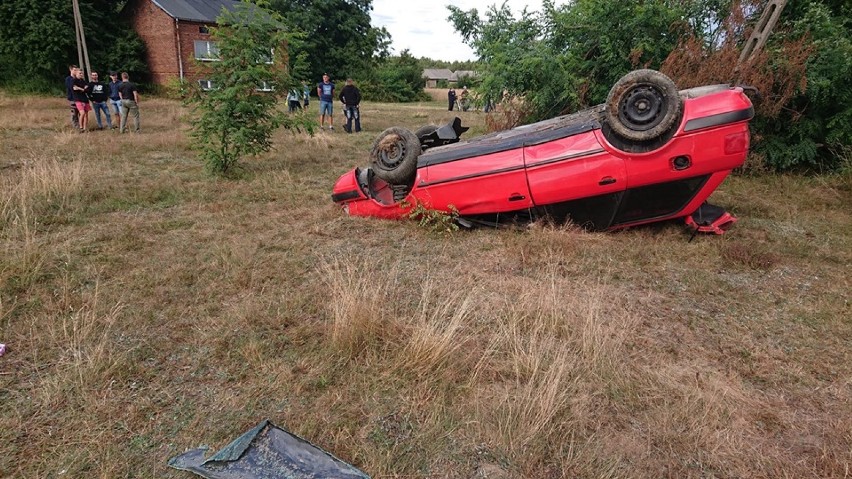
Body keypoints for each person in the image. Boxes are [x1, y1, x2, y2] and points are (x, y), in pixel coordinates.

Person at [71, 68, 91, 132]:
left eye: (82, 73)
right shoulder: (74, 81)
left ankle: (85, 128)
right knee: (82, 113)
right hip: (78, 99)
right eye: (80, 73)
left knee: (86, 114)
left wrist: (80, 89)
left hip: (85, 99)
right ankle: (81, 127)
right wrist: (83, 89)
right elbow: (74, 88)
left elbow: (87, 89)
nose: (81, 74)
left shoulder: (83, 81)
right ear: (76, 73)